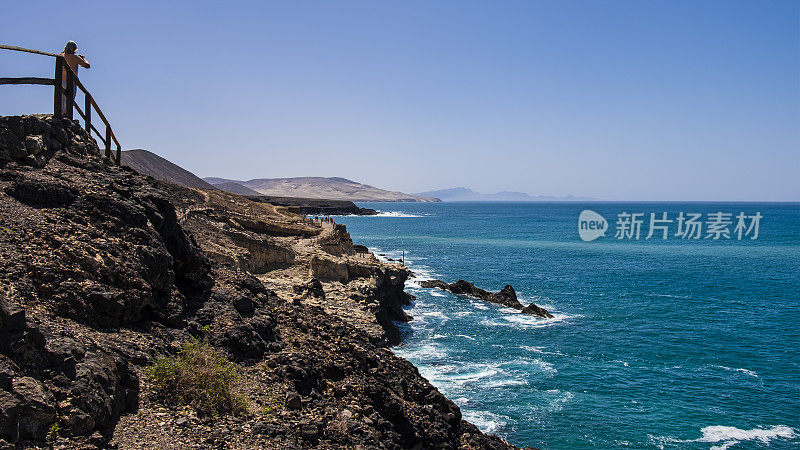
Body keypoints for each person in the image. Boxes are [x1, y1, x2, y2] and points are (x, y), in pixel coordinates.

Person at [58, 41, 90, 112]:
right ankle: (67, 116)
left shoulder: (61, 56)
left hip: (61, 81)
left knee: (62, 101)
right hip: (71, 82)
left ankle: (61, 114)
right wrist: (83, 58)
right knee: (69, 100)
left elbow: (62, 53)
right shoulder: (75, 58)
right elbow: (87, 65)